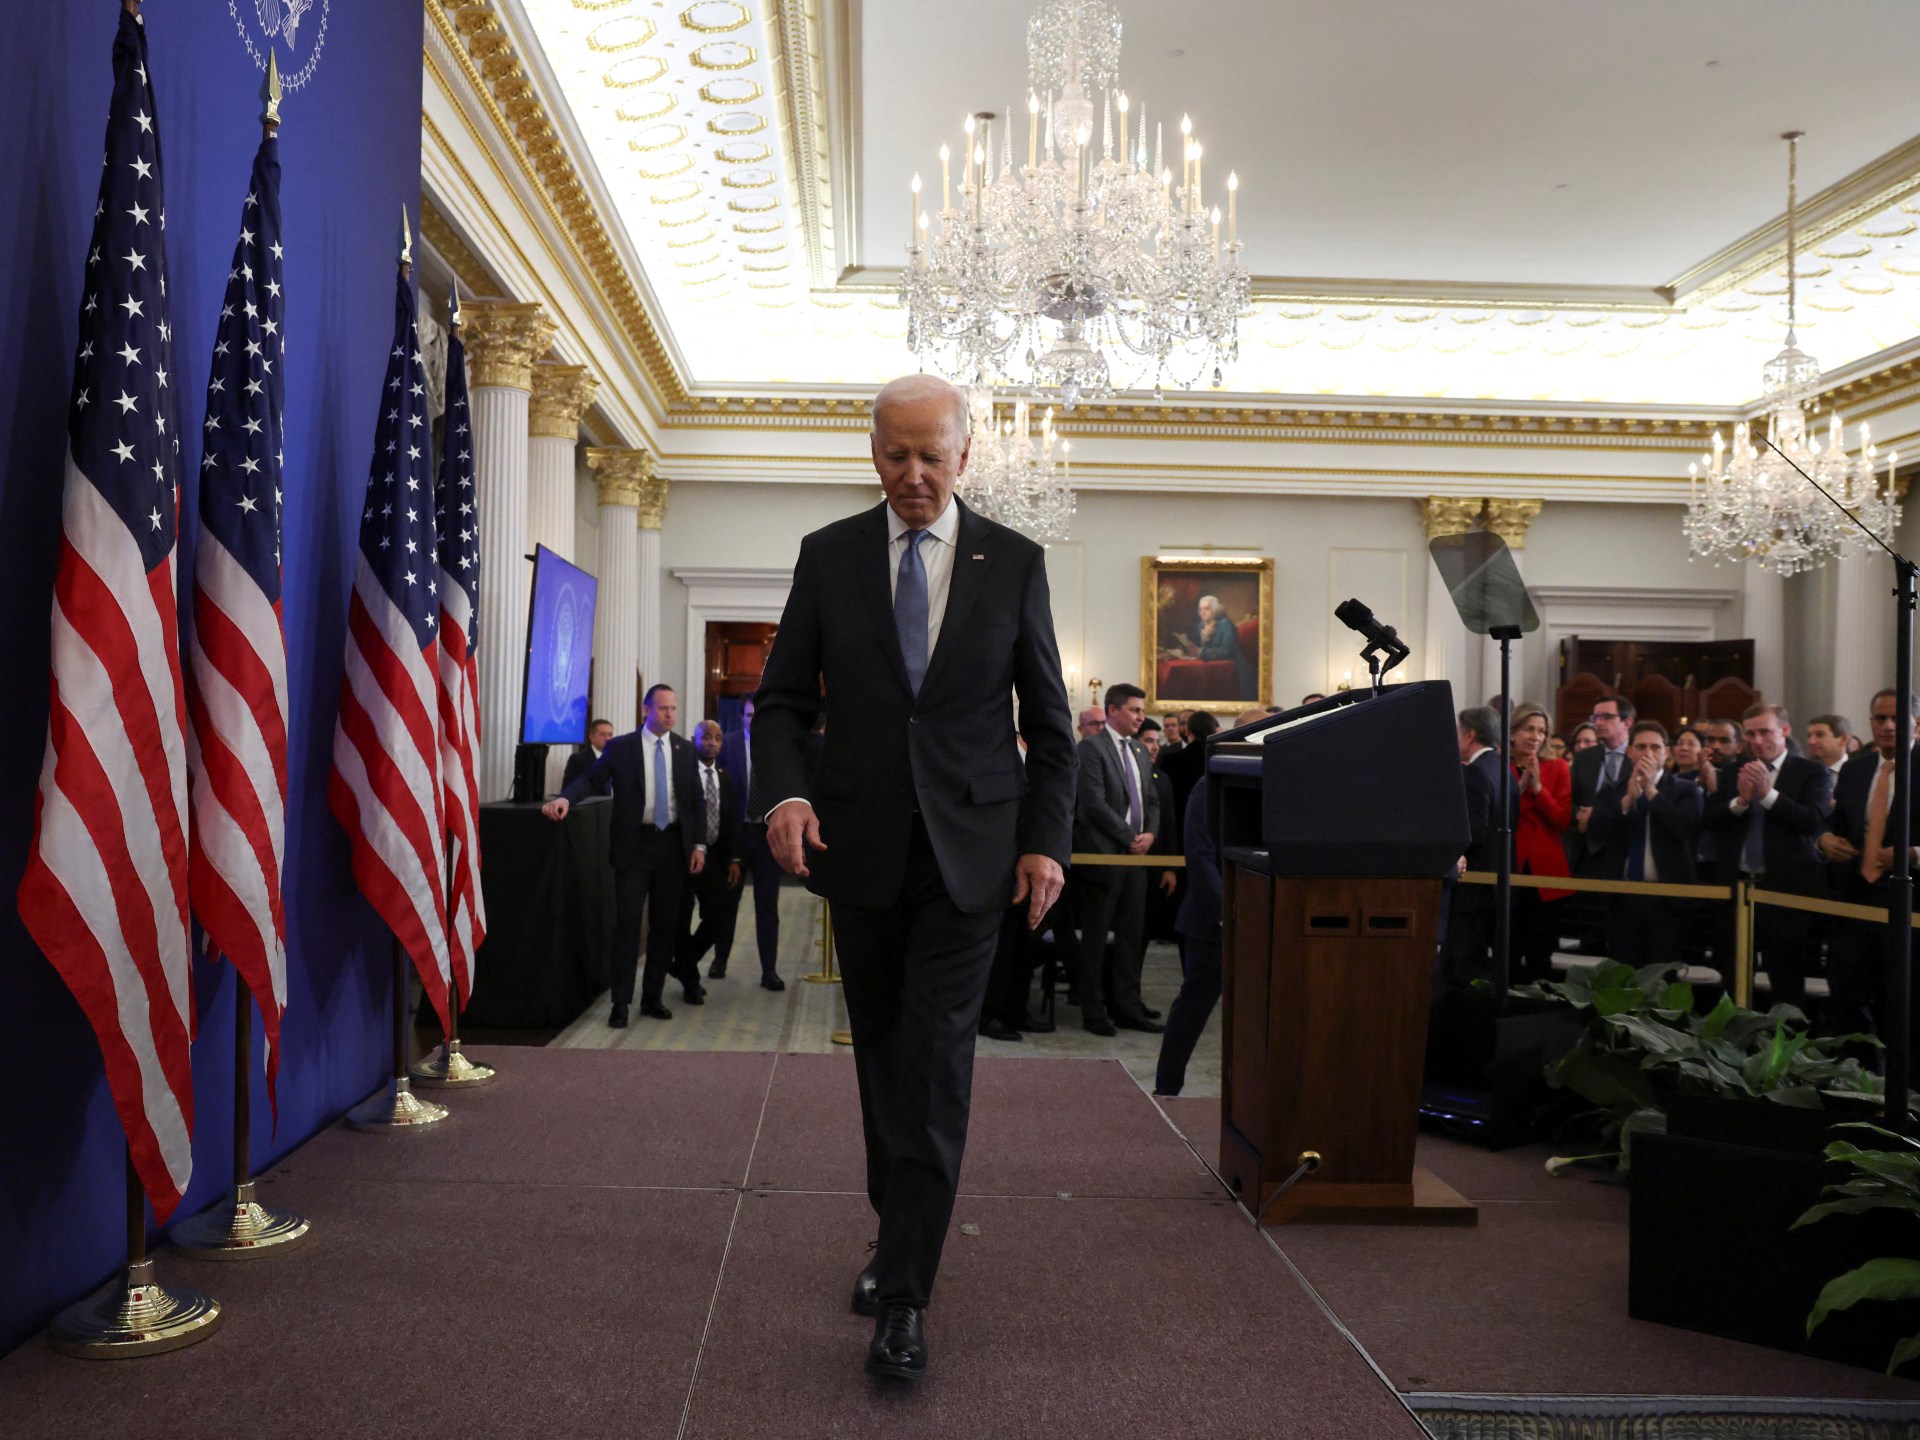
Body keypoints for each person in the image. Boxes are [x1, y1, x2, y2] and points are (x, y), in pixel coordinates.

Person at [752, 374, 1075, 1383]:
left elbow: (1053, 731)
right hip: (860, 849)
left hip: (970, 859)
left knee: (936, 1066)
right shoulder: (830, 556)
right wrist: (786, 796)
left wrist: (1046, 843)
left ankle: (904, 1301)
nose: (914, 475)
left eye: (933, 456)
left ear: (966, 457)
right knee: (882, 1063)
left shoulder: (1013, 563)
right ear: (873, 452)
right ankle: (897, 1238)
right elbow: (779, 704)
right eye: (896, 455)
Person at [544, 685, 710, 1025]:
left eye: (674, 709)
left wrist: (698, 845)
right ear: (646, 710)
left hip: (673, 848)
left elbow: (696, 800)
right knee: (629, 926)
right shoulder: (622, 747)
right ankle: (621, 1003)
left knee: (665, 926)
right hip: (635, 847)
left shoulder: (684, 749)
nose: (670, 715)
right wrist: (566, 799)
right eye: (663, 708)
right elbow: (591, 778)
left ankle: (652, 997)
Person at [1155, 705, 1268, 1096]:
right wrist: (1230, 911)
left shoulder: (1281, 783)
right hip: (1214, 921)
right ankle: (1167, 1088)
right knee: (1193, 1008)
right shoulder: (1211, 785)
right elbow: (1200, 857)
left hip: (1263, 918)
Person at [1704, 704, 1833, 1009]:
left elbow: (1811, 821)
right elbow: (1711, 818)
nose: (1757, 740)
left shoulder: (1811, 772)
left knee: (1785, 975)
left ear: (1784, 731)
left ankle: (1784, 1048)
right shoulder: (1735, 770)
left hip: (1784, 890)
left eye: (1765, 731)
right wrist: (1741, 801)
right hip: (1736, 888)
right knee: (1733, 972)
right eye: (1751, 733)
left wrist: (1768, 794)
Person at [1820, 690, 1919, 1039]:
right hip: (1856, 899)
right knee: (1848, 994)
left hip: (1909, 905)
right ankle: (1859, 1080)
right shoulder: (1856, 769)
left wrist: (1914, 855)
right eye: (1880, 719)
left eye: (1897, 719)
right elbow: (1837, 823)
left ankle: (1907, 1089)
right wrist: (1826, 839)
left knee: (1905, 1002)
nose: (1888, 726)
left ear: (1916, 724)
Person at [1072, 682, 1164, 1037]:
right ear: (1113, 711)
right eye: (1136, 710)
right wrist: (1129, 838)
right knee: (1096, 937)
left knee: (1131, 935)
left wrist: (1150, 836)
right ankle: (1093, 1010)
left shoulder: (1140, 751)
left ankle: (1126, 1006)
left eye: (1142, 711)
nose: (1142, 716)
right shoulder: (1091, 749)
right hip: (1103, 855)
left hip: (1137, 859)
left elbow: (1151, 800)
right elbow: (1092, 803)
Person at [1590, 721, 1704, 967]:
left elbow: (1685, 829)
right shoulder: (1612, 790)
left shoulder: (1686, 790)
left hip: (1668, 898)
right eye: (1641, 746)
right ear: (1630, 751)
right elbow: (1597, 833)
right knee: (1623, 973)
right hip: (1623, 897)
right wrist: (1628, 802)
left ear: (1666, 753)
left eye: (1655, 747)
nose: (1648, 753)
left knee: (1662, 976)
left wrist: (1651, 792)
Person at [708, 699, 787, 990]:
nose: (754, 719)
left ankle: (770, 971)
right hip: (735, 836)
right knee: (728, 903)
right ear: (741, 717)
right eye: (750, 714)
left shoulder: (776, 747)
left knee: (768, 906)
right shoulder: (726, 745)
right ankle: (720, 960)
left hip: (767, 837)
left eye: (759, 714)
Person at [1440, 706, 1508, 988]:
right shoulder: (1504, 768)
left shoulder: (1475, 772)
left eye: (1457, 732)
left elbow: (1474, 832)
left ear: (1469, 735)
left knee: (1462, 967)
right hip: (1491, 885)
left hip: (1472, 886)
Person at [1509, 702, 1573, 983]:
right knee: (1508, 947)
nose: (1536, 736)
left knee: (1540, 950)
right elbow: (1498, 819)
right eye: (1529, 729)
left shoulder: (1557, 767)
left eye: (1541, 731)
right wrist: (1520, 789)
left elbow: (1562, 820)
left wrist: (1538, 790)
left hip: (1546, 870)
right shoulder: (1500, 764)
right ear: (1512, 732)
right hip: (1510, 863)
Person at [677, 720, 743, 984]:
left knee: (719, 917)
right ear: (695, 739)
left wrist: (734, 858)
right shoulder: (683, 773)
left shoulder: (724, 776)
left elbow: (731, 821)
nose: (712, 743)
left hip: (715, 856)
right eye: (706, 738)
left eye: (717, 738)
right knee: (681, 918)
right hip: (685, 855)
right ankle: (690, 980)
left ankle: (684, 964)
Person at [1137, 718, 1181, 944]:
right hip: (1127, 861)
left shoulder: (1162, 779)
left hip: (1155, 867)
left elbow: (1169, 825)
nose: (1155, 747)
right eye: (1148, 741)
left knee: (1146, 929)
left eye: (1157, 741)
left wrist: (1171, 867)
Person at [1167, 594, 1256, 697]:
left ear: (1215, 610)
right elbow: (1196, 647)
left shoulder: (1225, 624)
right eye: (1200, 609)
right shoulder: (1200, 626)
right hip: (1213, 669)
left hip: (1236, 671)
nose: (1203, 612)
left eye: (1206, 609)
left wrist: (1201, 652)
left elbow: (1226, 652)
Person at [561, 717, 615, 795]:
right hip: (591, 805)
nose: (607, 738)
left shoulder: (616, 758)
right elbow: (568, 790)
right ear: (591, 737)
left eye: (610, 734)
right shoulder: (578, 760)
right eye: (602, 734)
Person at [1806, 714, 1852, 783]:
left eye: (1820, 735)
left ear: (1843, 740)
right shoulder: (1802, 772)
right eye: (1809, 736)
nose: (1811, 741)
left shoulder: (1859, 773)